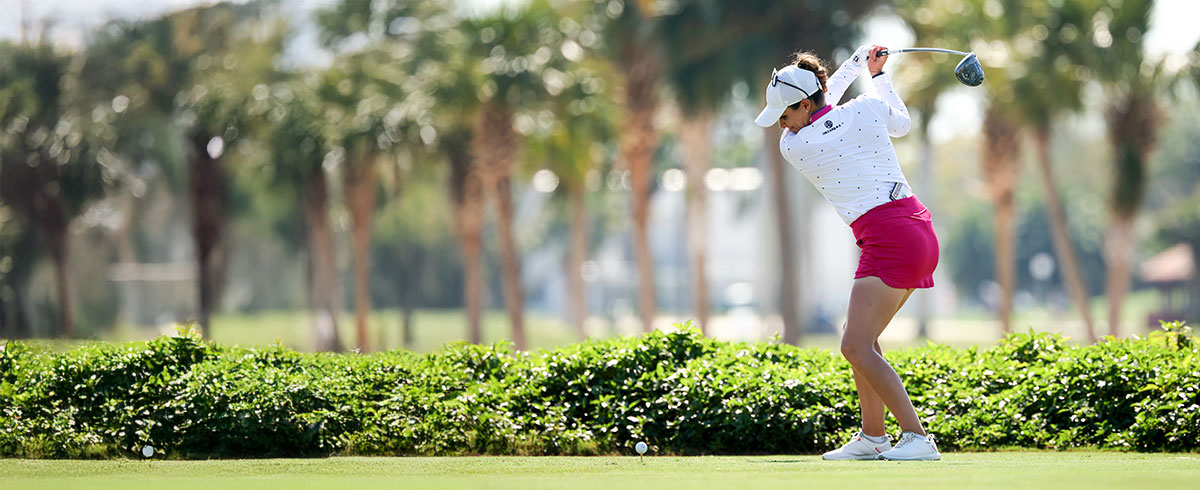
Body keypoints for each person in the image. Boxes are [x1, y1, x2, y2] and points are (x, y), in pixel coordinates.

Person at [754, 45, 941, 461]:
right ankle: (873, 437)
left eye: (784, 113)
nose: (781, 123)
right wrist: (875, 75)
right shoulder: (865, 109)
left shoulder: (794, 144)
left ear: (803, 105)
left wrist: (853, 66)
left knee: (855, 345)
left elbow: (827, 106)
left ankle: (917, 438)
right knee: (861, 340)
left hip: (891, 238)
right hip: (914, 227)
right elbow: (900, 123)